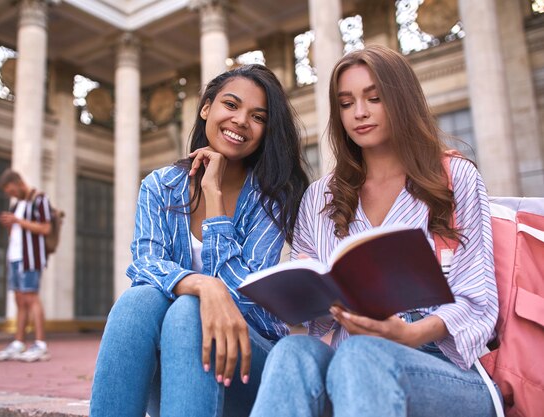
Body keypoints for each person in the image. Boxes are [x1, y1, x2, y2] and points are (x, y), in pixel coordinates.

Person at [249, 45, 499, 417]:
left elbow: (479, 302)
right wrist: (298, 297)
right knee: (292, 351)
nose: (359, 113)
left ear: (400, 100)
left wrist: (411, 334)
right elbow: (310, 310)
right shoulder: (321, 196)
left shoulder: (453, 178)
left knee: (361, 353)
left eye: (374, 98)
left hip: (443, 369)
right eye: (346, 103)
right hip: (345, 359)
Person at [89, 64, 310, 417]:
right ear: (207, 107)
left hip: (248, 367)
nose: (240, 121)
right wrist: (206, 286)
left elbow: (248, 295)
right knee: (139, 299)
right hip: (177, 375)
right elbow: (145, 265)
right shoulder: (160, 186)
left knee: (188, 311)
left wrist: (215, 197)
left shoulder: (273, 197)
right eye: (231, 105)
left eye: (258, 116)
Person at [0, 169, 52, 362]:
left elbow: (45, 228)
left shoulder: (39, 199)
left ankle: (40, 344)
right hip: (15, 257)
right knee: (19, 300)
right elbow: (18, 234)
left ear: (18, 183)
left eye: (11, 191)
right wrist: (11, 225)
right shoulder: (17, 204)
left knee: (31, 297)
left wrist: (18, 221)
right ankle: (19, 342)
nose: (11, 195)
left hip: (31, 257)